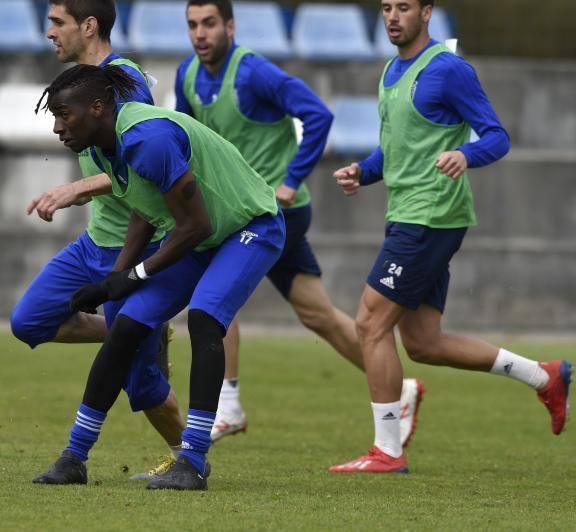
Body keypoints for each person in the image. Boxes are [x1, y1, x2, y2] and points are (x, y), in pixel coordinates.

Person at [330, 0, 571, 474]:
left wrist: (465, 154)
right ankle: (544, 375)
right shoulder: (391, 72)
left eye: (404, 7)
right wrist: (364, 171)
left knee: (369, 323)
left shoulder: (448, 70)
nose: (393, 16)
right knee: (422, 342)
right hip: (406, 213)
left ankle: (387, 451)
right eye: (385, 8)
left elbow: (496, 136)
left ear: (427, 12)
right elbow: (396, 148)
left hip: (432, 216)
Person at [175, 0, 424, 444]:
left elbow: (318, 114)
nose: (200, 33)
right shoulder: (187, 76)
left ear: (230, 26)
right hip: (240, 211)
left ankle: (227, 406)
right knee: (318, 314)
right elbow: (183, 137)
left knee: (212, 294)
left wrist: (291, 180)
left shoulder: (253, 73)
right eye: (193, 25)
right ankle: (399, 388)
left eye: (209, 23)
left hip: (275, 211)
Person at [33, 64, 286, 490]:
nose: (57, 127)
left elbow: (197, 227)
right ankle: (74, 457)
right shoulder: (101, 147)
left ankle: (193, 460)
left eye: (63, 114)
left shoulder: (147, 139)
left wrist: (133, 274)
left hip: (251, 226)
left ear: (97, 108)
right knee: (126, 324)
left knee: (205, 316)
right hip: (204, 236)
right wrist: (112, 280)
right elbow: (145, 207)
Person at [10, 0, 185, 482]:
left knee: (142, 385)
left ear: (88, 26)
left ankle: (187, 455)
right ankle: (130, 331)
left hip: (138, 248)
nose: (49, 31)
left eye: (57, 22)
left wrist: (75, 188)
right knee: (28, 321)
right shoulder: (75, 89)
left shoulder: (123, 77)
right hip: (93, 245)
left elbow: (150, 157)